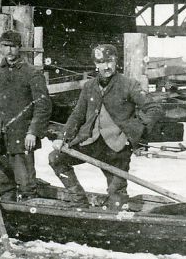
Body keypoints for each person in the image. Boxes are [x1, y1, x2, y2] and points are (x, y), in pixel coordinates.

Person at [49, 44, 162, 209]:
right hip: (90, 142)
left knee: (117, 198)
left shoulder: (129, 84)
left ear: (116, 61)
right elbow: (77, 115)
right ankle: (78, 200)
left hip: (117, 148)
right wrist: (62, 137)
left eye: (110, 61)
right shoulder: (89, 87)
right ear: (96, 64)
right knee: (56, 158)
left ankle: (117, 212)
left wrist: (137, 132)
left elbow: (154, 108)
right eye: (101, 62)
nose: (106, 66)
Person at [0, 31, 51, 200]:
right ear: (1, 48)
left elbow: (43, 106)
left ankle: (28, 220)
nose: (9, 51)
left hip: (22, 139)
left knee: (27, 185)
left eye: (13, 46)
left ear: (19, 48)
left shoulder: (32, 73)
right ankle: (9, 216)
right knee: (4, 185)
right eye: (5, 46)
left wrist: (33, 132)